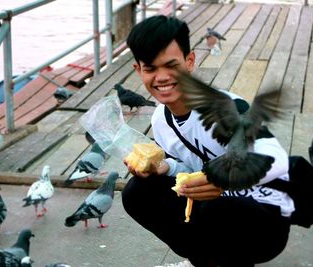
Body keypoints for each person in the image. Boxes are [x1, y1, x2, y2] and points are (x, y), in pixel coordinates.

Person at [121, 15, 294, 267]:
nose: (161, 77)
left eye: (171, 65)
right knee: (137, 192)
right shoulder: (160, 119)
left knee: (215, 207)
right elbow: (191, 169)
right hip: (217, 209)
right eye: (150, 68)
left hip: (267, 218)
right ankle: (201, 260)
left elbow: (277, 159)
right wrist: (166, 167)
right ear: (139, 70)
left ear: (189, 61)